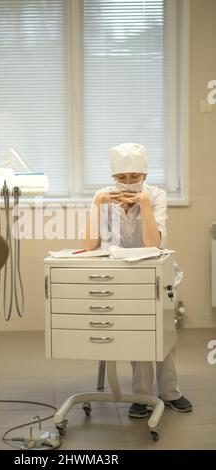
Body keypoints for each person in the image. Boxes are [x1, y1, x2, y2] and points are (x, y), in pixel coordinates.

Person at [81, 143, 193, 417]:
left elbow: (153, 243)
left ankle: (170, 392)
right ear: (113, 177)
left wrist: (143, 204)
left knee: (165, 333)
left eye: (134, 177)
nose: (129, 183)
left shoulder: (155, 195)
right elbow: (88, 245)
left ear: (145, 175)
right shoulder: (102, 197)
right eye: (122, 178)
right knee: (138, 333)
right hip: (121, 275)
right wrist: (97, 205)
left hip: (156, 272)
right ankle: (141, 395)